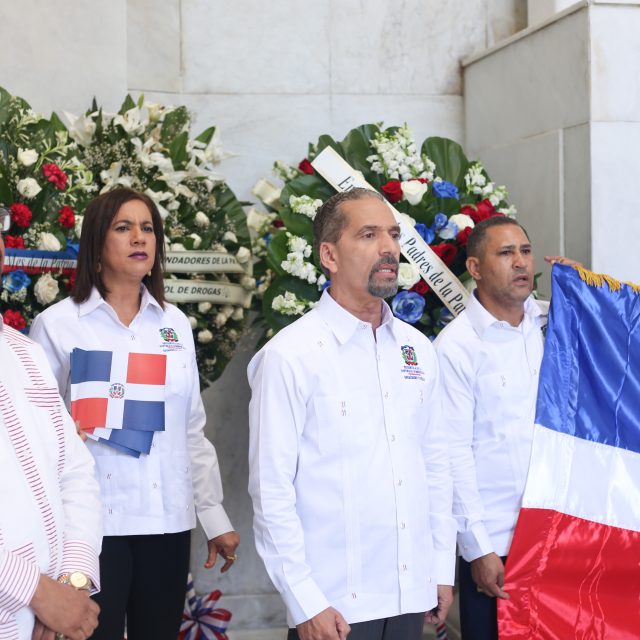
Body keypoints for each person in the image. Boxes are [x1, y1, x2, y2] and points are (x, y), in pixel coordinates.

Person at [29, 189, 239, 640]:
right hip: (92, 529)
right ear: (96, 244)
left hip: (166, 523)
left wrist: (214, 516)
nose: (139, 237)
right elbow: (34, 436)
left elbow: (192, 431)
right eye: (123, 228)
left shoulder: (174, 324)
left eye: (147, 228)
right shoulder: (57, 325)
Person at [247, 187, 456, 640]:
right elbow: (271, 489)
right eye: (368, 235)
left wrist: (440, 567)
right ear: (329, 255)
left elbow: (436, 466)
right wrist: (304, 600)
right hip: (333, 604)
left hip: (408, 593)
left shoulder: (417, 349)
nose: (389, 248)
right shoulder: (290, 355)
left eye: (394, 235)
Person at [435, 216, 548, 640]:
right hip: (496, 541)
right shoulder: (457, 346)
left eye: (525, 251)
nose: (520, 262)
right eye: (505, 253)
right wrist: (477, 547)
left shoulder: (549, 327)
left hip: (554, 529)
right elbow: (453, 452)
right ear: (476, 268)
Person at [0, 207, 101, 640]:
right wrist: (37, 593)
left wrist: (71, 582)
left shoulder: (24, 353)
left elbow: (74, 472)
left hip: (51, 621)